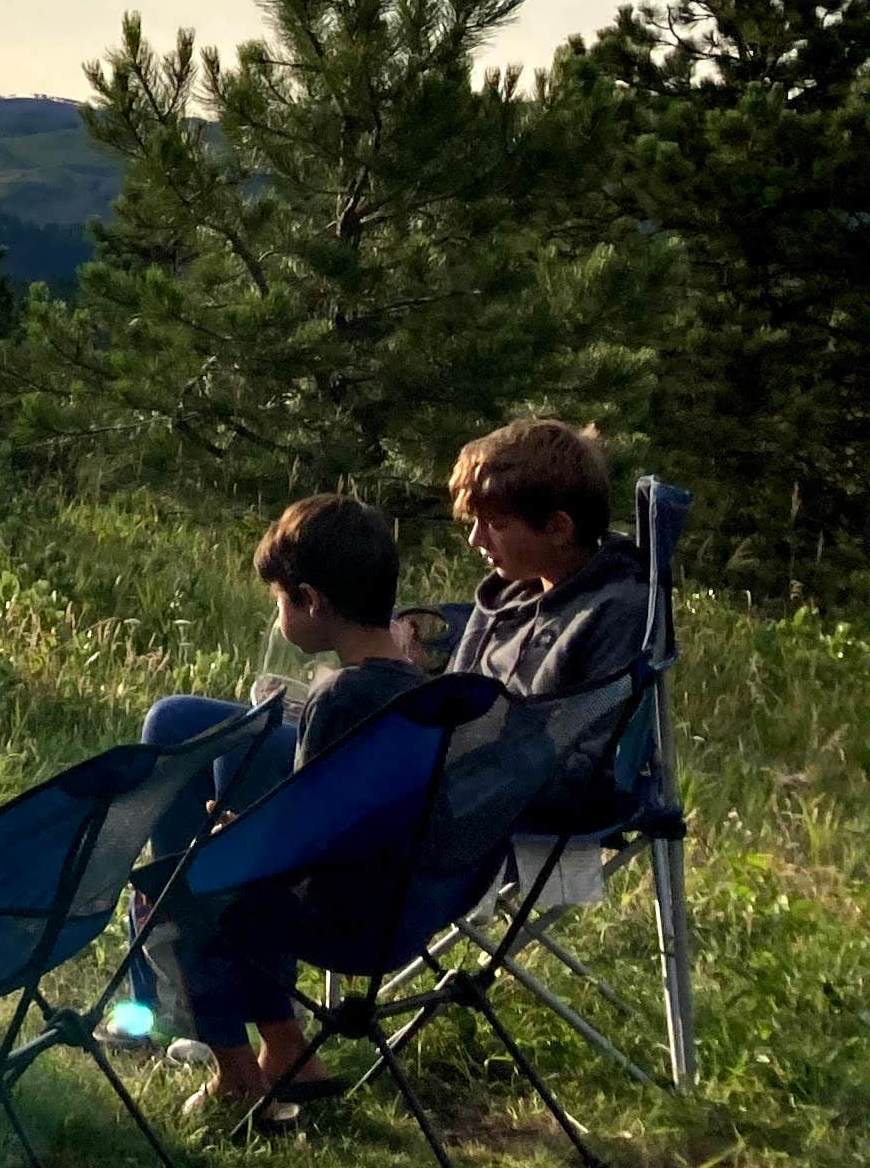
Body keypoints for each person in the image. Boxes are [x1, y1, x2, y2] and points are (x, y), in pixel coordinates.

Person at [130, 496, 431, 1118]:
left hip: (337, 909)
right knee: (214, 842)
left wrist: (237, 831)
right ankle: (291, 1056)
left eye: (279, 601)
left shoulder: (337, 701)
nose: (277, 613)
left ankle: (236, 1076)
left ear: (311, 601)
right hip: (403, 894)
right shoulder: (419, 690)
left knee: (186, 881)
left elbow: (299, 841)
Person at [405, 416, 651, 702]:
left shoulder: (614, 614)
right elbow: (452, 708)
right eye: (474, 522)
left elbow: (582, 736)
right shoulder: (504, 597)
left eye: (495, 524)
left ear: (558, 528)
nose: (475, 539)